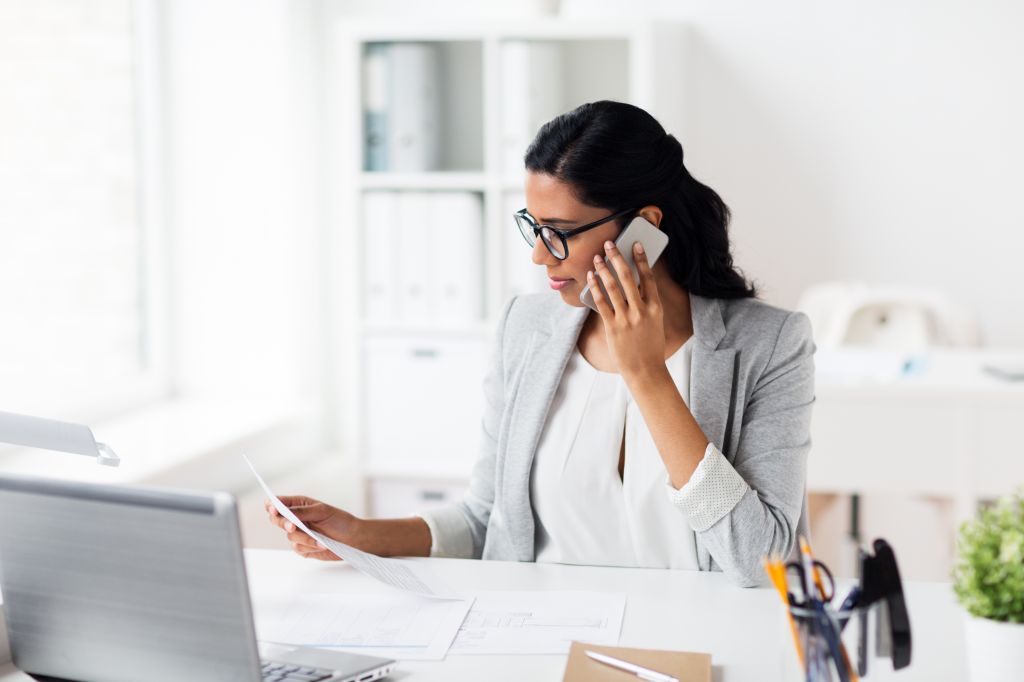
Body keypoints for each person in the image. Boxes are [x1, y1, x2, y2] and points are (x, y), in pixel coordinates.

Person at [267, 100, 816, 587]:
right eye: (534, 226)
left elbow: (761, 558)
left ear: (645, 227)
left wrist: (647, 375)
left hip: (699, 650)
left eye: (560, 231)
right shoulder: (527, 328)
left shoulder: (770, 345)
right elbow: (489, 520)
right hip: (541, 643)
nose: (540, 255)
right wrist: (361, 534)